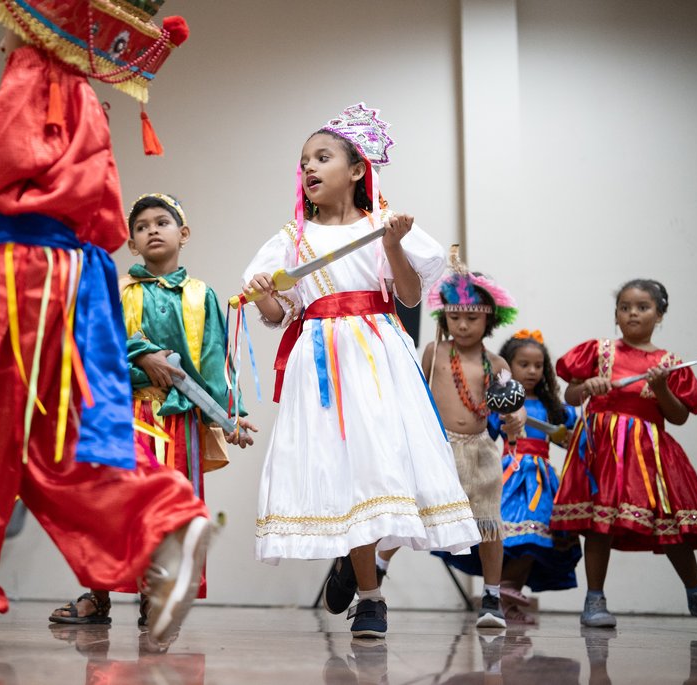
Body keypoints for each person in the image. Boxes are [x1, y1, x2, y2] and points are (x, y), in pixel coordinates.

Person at [0, 4, 211, 651]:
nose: (3, 43)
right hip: (71, 276)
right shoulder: (82, 90)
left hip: (20, 275)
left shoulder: (39, 67)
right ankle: (158, 525)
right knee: (55, 439)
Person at [240, 102, 481, 640]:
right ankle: (371, 598)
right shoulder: (291, 239)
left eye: (321, 157)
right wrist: (265, 298)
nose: (308, 168)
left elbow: (412, 294)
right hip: (321, 362)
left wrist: (393, 246)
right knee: (346, 472)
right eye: (303, 160)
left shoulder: (381, 226)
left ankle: (360, 562)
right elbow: (281, 315)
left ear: (356, 170)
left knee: (394, 468)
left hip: (377, 353)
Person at [49, 193, 255, 627]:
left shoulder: (200, 296)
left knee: (167, 509)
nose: (152, 231)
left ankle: (156, 594)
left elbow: (216, 359)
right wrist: (141, 356)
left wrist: (230, 414)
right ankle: (97, 594)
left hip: (177, 421)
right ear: (132, 243)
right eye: (141, 227)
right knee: (110, 505)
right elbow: (93, 344)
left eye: (162, 222)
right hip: (123, 414)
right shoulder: (118, 290)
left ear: (183, 234)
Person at [552, 278, 697, 627]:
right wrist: (586, 386)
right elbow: (570, 397)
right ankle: (595, 600)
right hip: (602, 453)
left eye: (643, 307)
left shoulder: (668, 364)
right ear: (616, 315)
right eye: (625, 307)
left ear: (660, 314)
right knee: (599, 522)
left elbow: (679, 416)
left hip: (648, 455)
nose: (632, 314)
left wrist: (661, 387)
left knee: (670, 523)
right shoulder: (599, 351)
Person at [434, 330, 582, 623]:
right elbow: (486, 433)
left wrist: (569, 433)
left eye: (538, 366)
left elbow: (569, 435)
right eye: (523, 365)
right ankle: (505, 593)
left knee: (538, 533)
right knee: (509, 534)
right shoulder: (502, 402)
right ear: (508, 368)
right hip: (510, 474)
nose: (531, 371)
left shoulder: (551, 406)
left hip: (541, 478)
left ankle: (508, 591)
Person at [419, 250, 525, 628]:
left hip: (480, 449)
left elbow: (514, 405)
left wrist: (515, 419)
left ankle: (492, 596)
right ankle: (378, 570)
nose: (462, 325)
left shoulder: (496, 364)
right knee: (409, 511)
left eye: (471, 318)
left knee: (488, 524)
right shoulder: (435, 351)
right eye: (454, 317)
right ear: (443, 316)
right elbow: (417, 395)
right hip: (438, 449)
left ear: (490, 319)